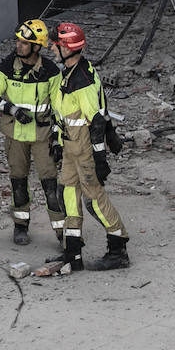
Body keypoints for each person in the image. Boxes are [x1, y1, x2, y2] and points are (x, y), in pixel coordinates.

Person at [46, 22, 129, 271]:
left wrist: (100, 158)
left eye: (55, 44)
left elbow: (95, 122)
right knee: (68, 195)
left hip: (84, 147)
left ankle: (118, 248)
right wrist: (58, 143)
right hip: (71, 145)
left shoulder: (81, 79)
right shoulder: (70, 74)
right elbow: (65, 116)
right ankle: (73, 254)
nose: (51, 48)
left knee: (94, 200)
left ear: (67, 48)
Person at [0, 19, 62, 246]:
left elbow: (59, 107)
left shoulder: (50, 71)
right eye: (17, 41)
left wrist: (57, 139)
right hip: (15, 135)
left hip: (42, 136)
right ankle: (20, 227)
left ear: (36, 47)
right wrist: (12, 110)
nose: (18, 46)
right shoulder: (8, 66)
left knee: (50, 185)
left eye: (24, 43)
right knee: (18, 182)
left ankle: (61, 231)